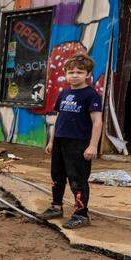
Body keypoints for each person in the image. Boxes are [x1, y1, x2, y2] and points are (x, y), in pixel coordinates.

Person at [39, 53, 103, 229]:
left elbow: (97, 122)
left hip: (79, 143)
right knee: (57, 176)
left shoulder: (91, 95)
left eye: (80, 72)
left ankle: (81, 214)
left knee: (77, 179)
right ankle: (56, 207)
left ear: (88, 75)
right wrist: (52, 141)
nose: (75, 75)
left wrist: (92, 145)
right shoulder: (64, 93)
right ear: (65, 74)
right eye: (71, 72)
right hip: (60, 141)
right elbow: (58, 118)